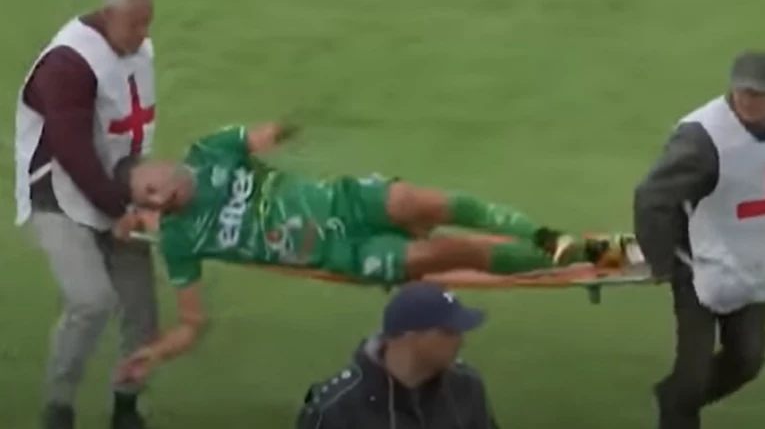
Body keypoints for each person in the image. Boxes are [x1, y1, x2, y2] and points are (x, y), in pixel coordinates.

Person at [113, 122, 631, 382]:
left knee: (420, 201)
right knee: (451, 253)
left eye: (151, 187)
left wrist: (281, 129)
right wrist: (154, 353)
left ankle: (553, 240)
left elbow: (269, 132)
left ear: (159, 165)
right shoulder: (180, 239)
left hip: (345, 201)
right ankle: (593, 256)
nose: (158, 199)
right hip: (344, 252)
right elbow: (192, 324)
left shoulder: (211, 151)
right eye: (147, 201)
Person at [14, 0, 158, 429]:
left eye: (148, 23)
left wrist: (141, 199)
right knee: (90, 300)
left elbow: (133, 136)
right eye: (135, 24)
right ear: (110, 15)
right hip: (57, 195)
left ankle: (126, 407)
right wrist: (119, 209)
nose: (143, 35)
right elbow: (71, 148)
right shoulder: (68, 64)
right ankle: (58, 408)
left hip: (115, 192)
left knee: (142, 309)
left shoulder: (138, 51)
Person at [634, 51, 765, 429]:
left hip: (751, 265)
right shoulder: (702, 139)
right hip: (698, 266)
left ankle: (673, 399)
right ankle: (678, 411)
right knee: (693, 374)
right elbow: (653, 198)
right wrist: (664, 262)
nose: (749, 101)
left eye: (759, 94)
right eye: (744, 92)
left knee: (748, 359)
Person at [295, 281, 500, 428]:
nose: (461, 341)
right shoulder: (336, 408)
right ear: (410, 337)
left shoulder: (467, 388)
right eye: (449, 332)